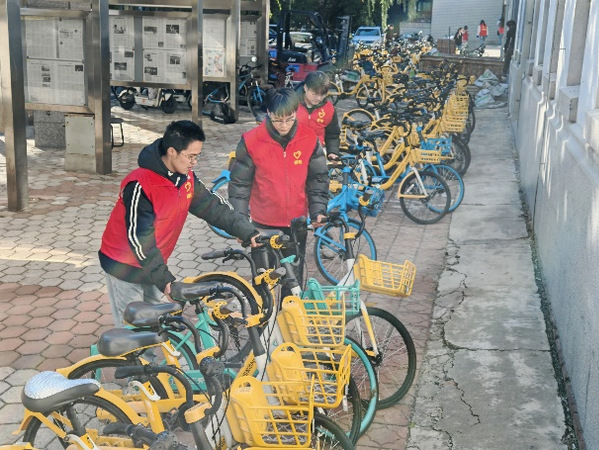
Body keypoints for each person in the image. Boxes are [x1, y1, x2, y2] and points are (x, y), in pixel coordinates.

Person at [99, 120, 260, 327]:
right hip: (124, 265)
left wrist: (246, 231)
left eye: (197, 156)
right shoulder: (140, 184)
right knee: (133, 329)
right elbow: (140, 240)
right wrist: (165, 280)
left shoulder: (186, 178)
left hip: (153, 262)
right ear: (172, 152)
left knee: (155, 325)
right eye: (190, 156)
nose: (194, 162)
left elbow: (212, 207)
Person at [228, 88, 329, 288]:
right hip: (262, 226)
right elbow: (239, 186)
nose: (284, 125)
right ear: (269, 113)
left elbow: (317, 178)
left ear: (296, 113)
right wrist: (240, 224)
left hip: (296, 225)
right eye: (278, 120)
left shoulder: (309, 138)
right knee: (263, 285)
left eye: (289, 119)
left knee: (293, 286)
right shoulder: (251, 141)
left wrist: (318, 210)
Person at [296, 70, 341, 161]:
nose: (319, 98)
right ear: (305, 88)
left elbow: (332, 134)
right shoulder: (290, 105)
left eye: (323, 94)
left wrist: (332, 151)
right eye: (315, 94)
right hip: (292, 154)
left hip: (316, 154)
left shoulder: (329, 109)